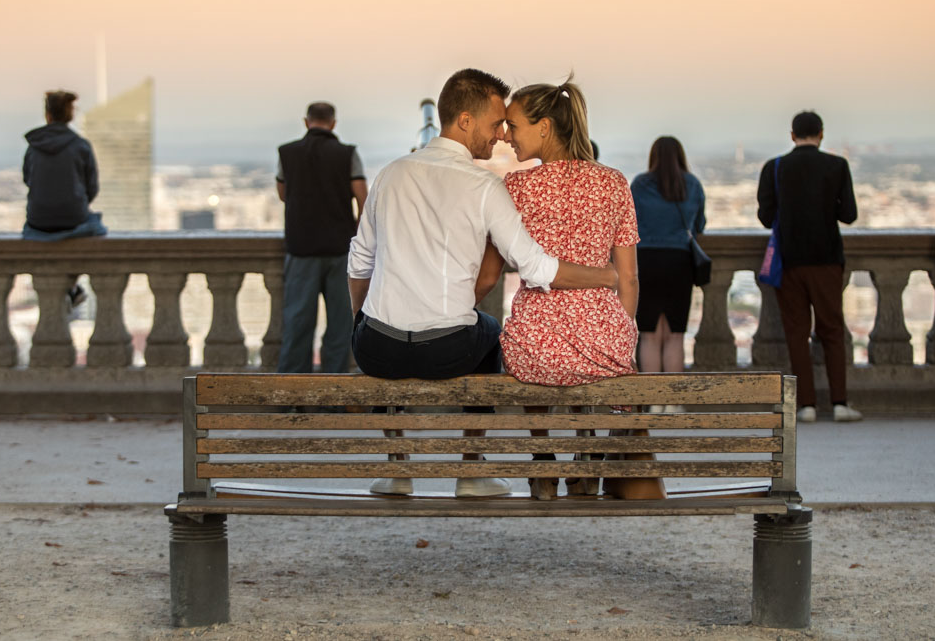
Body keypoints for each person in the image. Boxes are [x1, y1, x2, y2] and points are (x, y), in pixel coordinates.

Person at [347, 68, 618, 498]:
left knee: (378, 321)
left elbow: (359, 261)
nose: (500, 137)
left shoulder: (390, 175)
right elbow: (534, 268)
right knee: (493, 334)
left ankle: (398, 470)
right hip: (447, 350)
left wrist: (361, 321)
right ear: (465, 121)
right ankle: (471, 471)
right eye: (495, 125)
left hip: (377, 349)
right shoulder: (486, 186)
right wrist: (603, 276)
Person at [477, 78, 660, 500]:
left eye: (514, 126)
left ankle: (543, 463)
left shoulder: (517, 188)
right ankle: (584, 452)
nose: (507, 136)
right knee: (584, 357)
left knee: (538, 346)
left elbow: (493, 269)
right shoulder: (613, 183)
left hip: (535, 343)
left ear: (544, 128)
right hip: (602, 340)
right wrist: (619, 329)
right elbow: (628, 277)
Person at [757, 111, 862, 424]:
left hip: (788, 261)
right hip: (827, 259)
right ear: (821, 134)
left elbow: (765, 217)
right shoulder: (837, 166)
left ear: (792, 135)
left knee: (796, 333)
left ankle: (807, 406)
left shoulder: (774, 167)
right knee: (831, 330)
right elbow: (850, 215)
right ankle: (840, 403)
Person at [276, 102, 367, 374]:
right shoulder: (347, 154)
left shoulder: (287, 153)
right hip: (340, 249)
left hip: (301, 248)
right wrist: (358, 233)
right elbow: (363, 197)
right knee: (340, 326)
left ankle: (291, 397)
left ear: (306, 122)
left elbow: (283, 194)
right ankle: (333, 394)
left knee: (297, 324)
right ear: (333, 123)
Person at [630, 137, 706, 380]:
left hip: (646, 262)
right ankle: (673, 402)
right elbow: (699, 225)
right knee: (675, 335)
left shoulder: (640, 184)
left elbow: (629, 224)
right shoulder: (692, 184)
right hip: (679, 262)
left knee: (649, 334)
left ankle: (653, 400)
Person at [22, 90, 107, 306]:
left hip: (38, 218)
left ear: (47, 115)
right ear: (70, 116)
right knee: (93, 228)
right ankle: (71, 284)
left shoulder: (34, 147)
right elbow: (92, 188)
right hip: (73, 216)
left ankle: (68, 287)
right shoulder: (81, 146)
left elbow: (28, 179)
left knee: (43, 233)